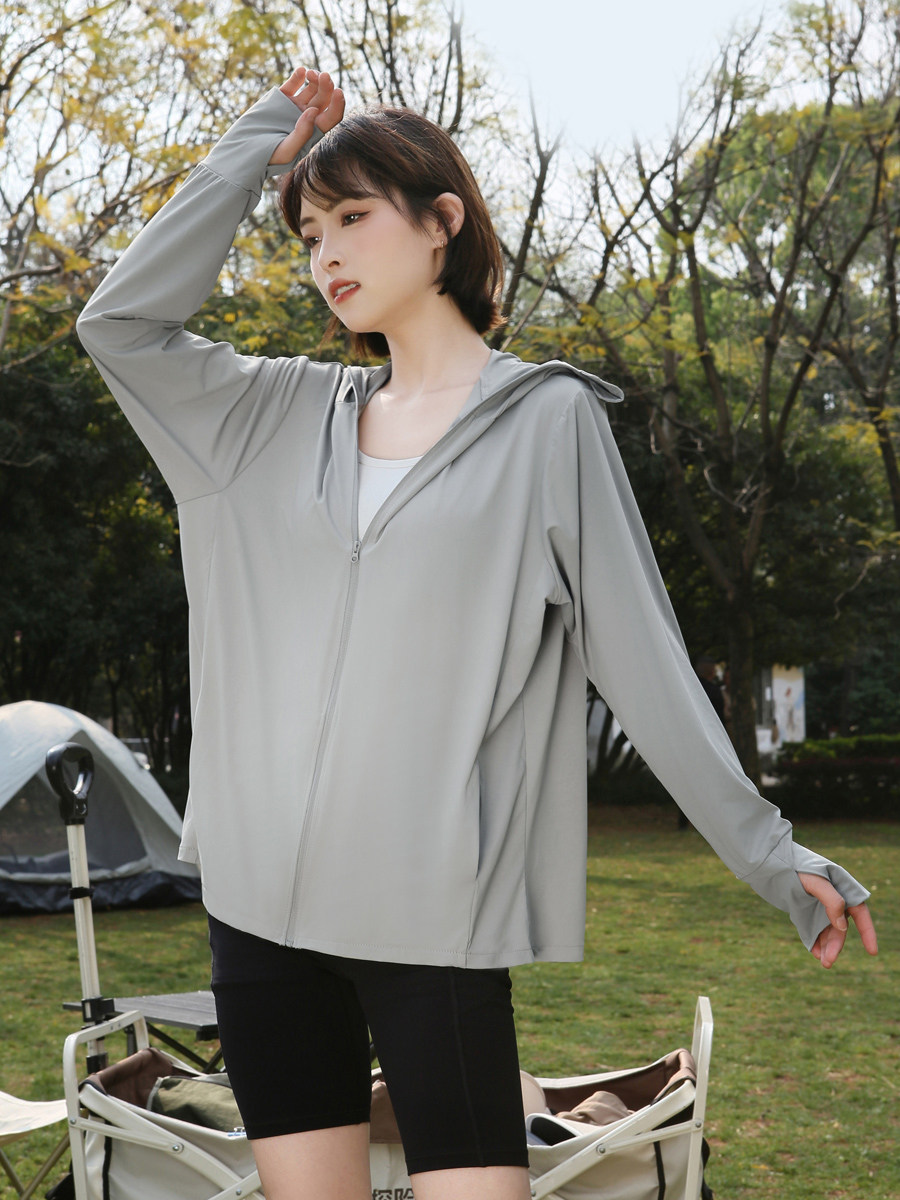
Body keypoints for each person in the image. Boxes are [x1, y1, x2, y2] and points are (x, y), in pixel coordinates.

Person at [76, 67, 878, 1200]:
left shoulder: (547, 422)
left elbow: (642, 659)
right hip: (259, 921)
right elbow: (118, 324)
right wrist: (260, 144)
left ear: (442, 221)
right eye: (309, 233)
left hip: (432, 922)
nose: (327, 254)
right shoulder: (260, 419)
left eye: (354, 217)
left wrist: (772, 855)